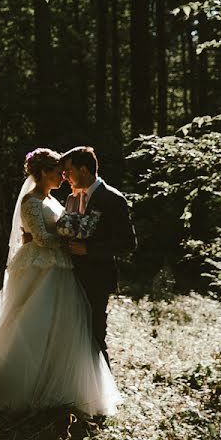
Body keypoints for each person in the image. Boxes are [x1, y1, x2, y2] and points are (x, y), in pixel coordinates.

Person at [0, 148, 120, 416]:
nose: (63, 177)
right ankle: (18, 382)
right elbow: (41, 238)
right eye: (58, 172)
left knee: (62, 327)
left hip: (60, 268)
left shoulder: (53, 199)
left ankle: (57, 382)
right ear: (43, 173)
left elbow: (63, 225)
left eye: (65, 172)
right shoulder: (31, 202)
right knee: (32, 323)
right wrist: (68, 242)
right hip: (41, 270)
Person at [59, 146, 137, 367]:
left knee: (95, 335)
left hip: (97, 278)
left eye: (68, 172)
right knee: (72, 334)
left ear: (83, 169)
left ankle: (103, 393)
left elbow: (128, 243)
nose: (65, 178)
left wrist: (89, 250)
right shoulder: (71, 199)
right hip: (70, 276)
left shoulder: (112, 198)